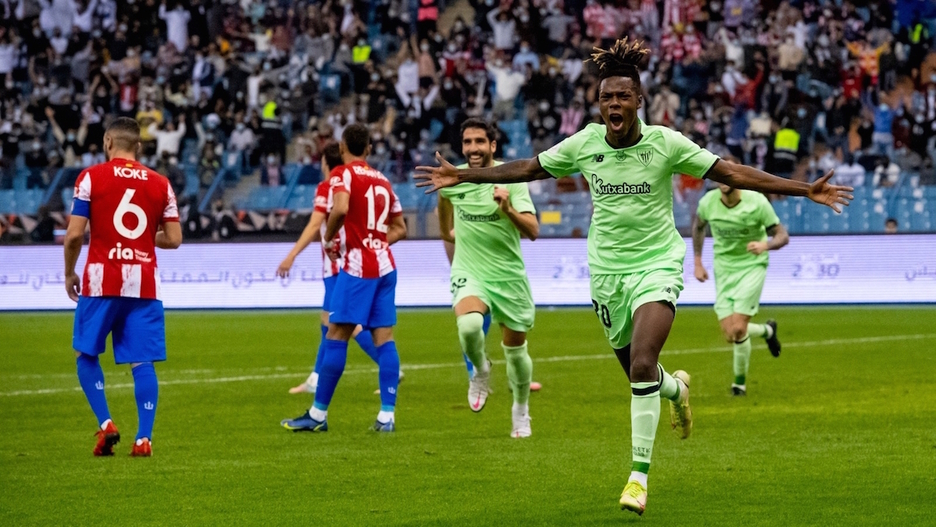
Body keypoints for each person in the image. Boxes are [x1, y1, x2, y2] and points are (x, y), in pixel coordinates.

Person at [415, 38, 853, 515]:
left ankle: (637, 478)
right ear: (598, 104)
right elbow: (526, 168)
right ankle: (677, 390)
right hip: (606, 272)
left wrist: (802, 189)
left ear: (639, 100)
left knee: (643, 364)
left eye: (623, 96)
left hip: (657, 266)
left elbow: (732, 171)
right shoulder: (584, 142)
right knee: (640, 377)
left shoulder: (665, 143)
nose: (615, 104)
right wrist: (465, 176)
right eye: (607, 98)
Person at [63, 117, 183, 458]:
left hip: (102, 279)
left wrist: (69, 272)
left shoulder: (90, 177)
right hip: (144, 282)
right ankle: (144, 439)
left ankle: (106, 424)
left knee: (85, 353)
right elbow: (174, 239)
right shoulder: (161, 184)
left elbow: (74, 234)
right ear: (139, 147)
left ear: (107, 143)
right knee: (142, 361)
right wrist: (146, 240)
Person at [282, 123, 407, 433]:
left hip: (358, 267)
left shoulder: (342, 174)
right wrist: (376, 241)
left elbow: (340, 208)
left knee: (336, 335)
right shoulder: (384, 180)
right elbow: (401, 228)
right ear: (368, 149)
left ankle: (317, 416)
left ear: (341, 148)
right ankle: (386, 417)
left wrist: (330, 237)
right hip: (386, 266)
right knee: (384, 338)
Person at [438, 118, 539, 437]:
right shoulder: (454, 179)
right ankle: (480, 370)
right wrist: (449, 230)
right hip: (471, 271)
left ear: (493, 146)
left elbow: (533, 231)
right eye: (467, 142)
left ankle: (521, 409)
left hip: (508, 276)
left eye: (479, 142)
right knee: (468, 327)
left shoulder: (510, 178)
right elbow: (445, 217)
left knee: (516, 351)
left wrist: (507, 209)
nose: (472, 149)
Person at [276, 141, 390, 395]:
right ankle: (316, 377)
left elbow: (314, 224)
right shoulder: (357, 183)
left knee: (341, 322)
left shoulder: (328, 186)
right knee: (328, 321)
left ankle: (388, 367)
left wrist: (292, 255)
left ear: (326, 163)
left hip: (340, 265)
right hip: (353, 262)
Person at [691, 183, 788, 396]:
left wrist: (766, 245)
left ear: (738, 178)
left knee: (738, 329)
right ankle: (767, 331)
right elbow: (698, 227)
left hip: (752, 265)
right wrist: (697, 262)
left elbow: (782, 236)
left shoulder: (757, 202)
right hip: (723, 268)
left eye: (728, 176)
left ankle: (739, 385)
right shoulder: (708, 202)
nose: (723, 181)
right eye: (720, 177)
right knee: (729, 334)